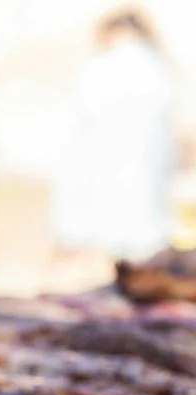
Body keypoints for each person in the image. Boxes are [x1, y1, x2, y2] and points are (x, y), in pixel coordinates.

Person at [52, 8, 175, 279]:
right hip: (133, 170)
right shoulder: (156, 66)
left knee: (112, 244)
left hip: (116, 168)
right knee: (133, 247)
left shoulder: (102, 66)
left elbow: (81, 117)